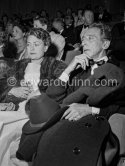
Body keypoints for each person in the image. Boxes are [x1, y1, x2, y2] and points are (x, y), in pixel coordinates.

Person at [16, 22, 124, 165]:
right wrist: (69, 69)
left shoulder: (116, 71)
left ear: (105, 44)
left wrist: (90, 110)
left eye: (90, 38)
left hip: (95, 126)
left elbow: (121, 108)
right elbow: (54, 96)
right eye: (83, 39)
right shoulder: (78, 71)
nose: (84, 42)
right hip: (68, 120)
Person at [0, 27, 66, 166]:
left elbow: (59, 91)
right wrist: (13, 90)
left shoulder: (55, 65)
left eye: (36, 44)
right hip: (16, 107)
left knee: (4, 132)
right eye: (29, 44)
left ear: (46, 47)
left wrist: (38, 94)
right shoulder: (19, 65)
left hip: (36, 112)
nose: (31, 48)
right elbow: (5, 85)